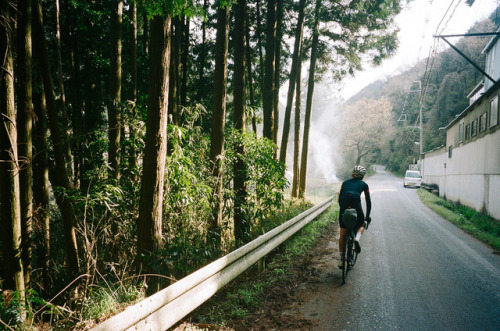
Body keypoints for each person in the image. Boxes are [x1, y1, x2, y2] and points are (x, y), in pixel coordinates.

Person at [337, 165, 371, 269]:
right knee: (361, 225)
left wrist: (343, 209)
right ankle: (357, 238)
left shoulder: (345, 183)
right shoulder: (364, 185)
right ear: (362, 176)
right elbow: (368, 202)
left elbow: (339, 198)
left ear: (352, 174)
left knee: (343, 232)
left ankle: (342, 258)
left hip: (344, 208)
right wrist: (367, 217)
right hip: (357, 208)